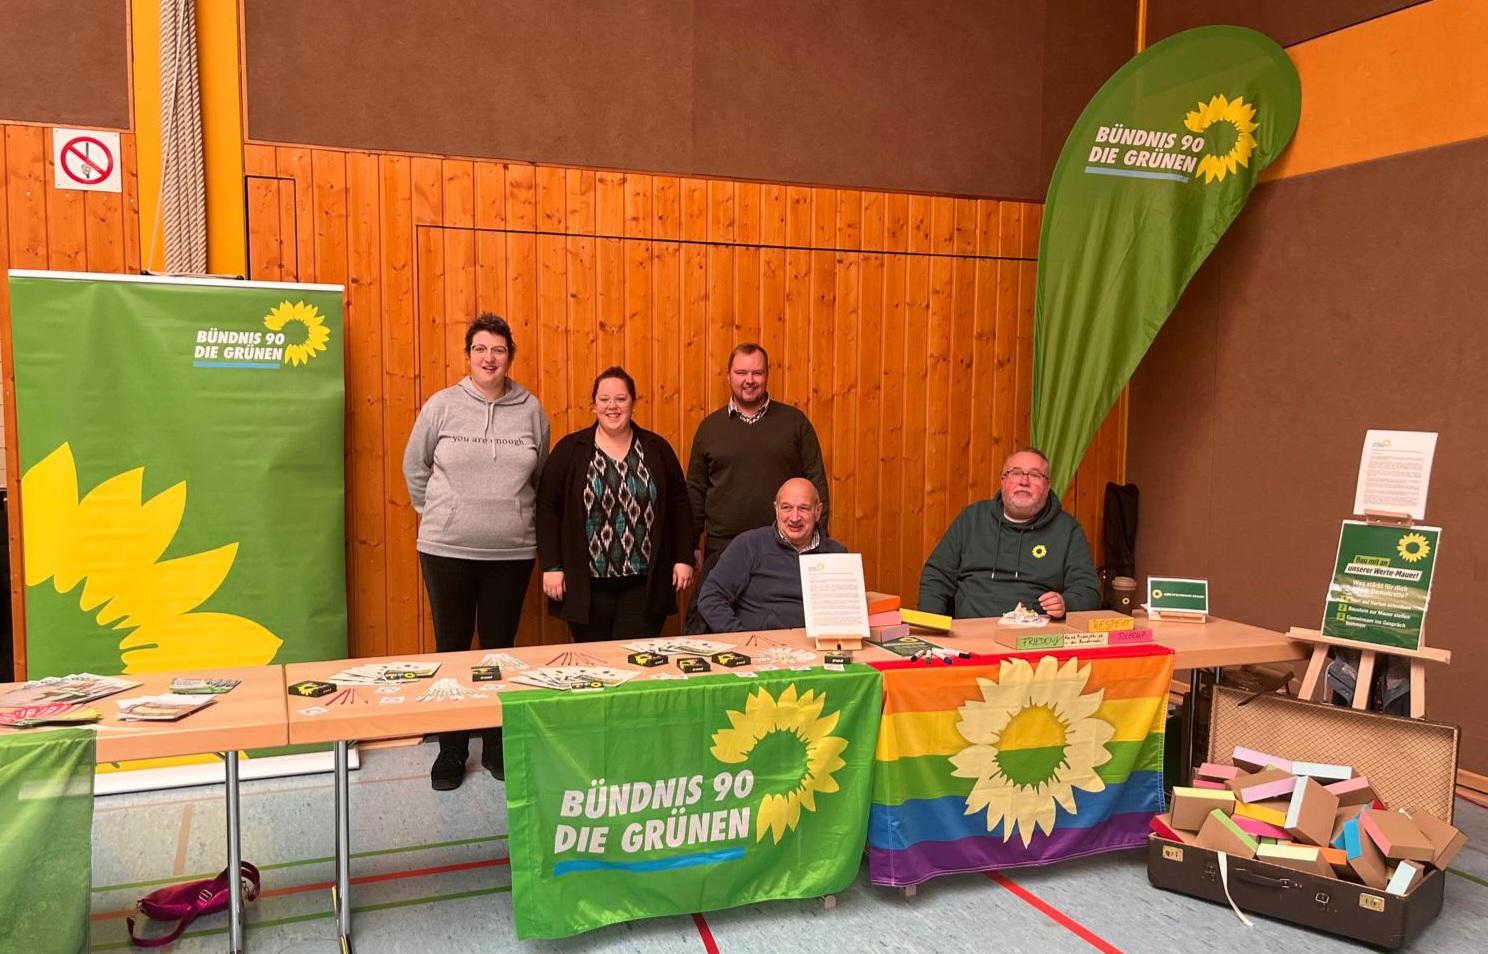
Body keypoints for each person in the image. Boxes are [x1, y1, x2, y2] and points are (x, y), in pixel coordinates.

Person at [402, 313, 550, 791]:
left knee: (499, 652)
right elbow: (414, 465)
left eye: (499, 350)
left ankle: (495, 744)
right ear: (468, 356)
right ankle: (451, 750)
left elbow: (541, 474)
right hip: (446, 549)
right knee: (452, 649)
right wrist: (443, 513)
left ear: (510, 357)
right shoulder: (442, 406)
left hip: (511, 552)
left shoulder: (531, 410)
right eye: (481, 349)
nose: (490, 358)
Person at [536, 367, 694, 640]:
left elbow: (680, 504)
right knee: (596, 664)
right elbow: (547, 509)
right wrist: (552, 567)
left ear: (633, 403)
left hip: (643, 585)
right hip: (586, 586)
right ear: (594, 404)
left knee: (634, 659)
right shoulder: (570, 450)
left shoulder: (656, 449)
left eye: (621, 399)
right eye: (605, 399)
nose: (613, 406)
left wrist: (684, 557)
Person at [685, 343, 829, 631]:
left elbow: (816, 486)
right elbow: (696, 489)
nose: (749, 380)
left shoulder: (794, 423)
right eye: (741, 372)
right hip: (722, 549)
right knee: (709, 628)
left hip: (782, 552)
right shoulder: (710, 428)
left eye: (757, 372)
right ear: (728, 376)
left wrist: (818, 541)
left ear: (767, 375)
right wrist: (691, 544)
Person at [918, 447, 1100, 620]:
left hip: (1035, 637)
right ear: (1003, 481)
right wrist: (931, 627)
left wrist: (1066, 603)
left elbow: (1088, 590)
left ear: (1047, 485)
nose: (1024, 481)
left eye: (1035, 475)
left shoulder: (1067, 530)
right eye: (1016, 473)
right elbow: (937, 576)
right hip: (969, 631)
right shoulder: (972, 518)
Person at [696, 478, 845, 632]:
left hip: (817, 647)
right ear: (776, 509)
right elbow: (711, 598)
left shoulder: (837, 554)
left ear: (817, 511)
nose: (794, 518)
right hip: (759, 646)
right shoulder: (749, 544)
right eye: (786, 507)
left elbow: (848, 612)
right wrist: (739, 637)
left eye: (804, 508)